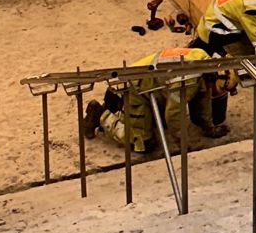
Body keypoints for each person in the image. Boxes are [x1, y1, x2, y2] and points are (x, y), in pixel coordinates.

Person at [85, 45, 223, 155]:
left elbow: (203, 99)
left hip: (151, 86)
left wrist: (209, 127)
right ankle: (101, 114)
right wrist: (184, 145)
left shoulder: (204, 61)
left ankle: (128, 114)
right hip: (132, 90)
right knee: (145, 144)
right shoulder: (187, 80)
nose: (219, 94)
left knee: (160, 123)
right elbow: (173, 115)